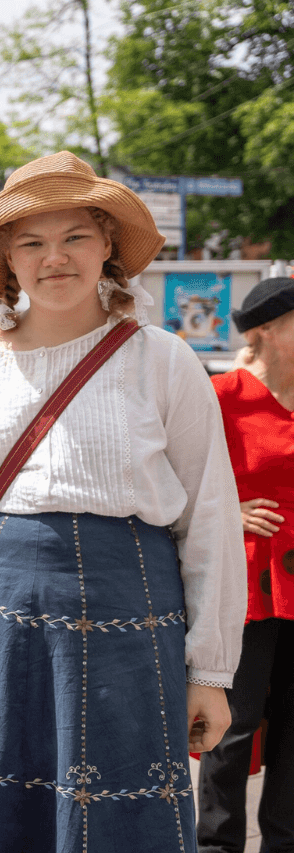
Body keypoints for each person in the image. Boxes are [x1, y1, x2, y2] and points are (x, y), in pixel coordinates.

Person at [0, 151, 247, 853]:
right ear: (8, 260)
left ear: (108, 244)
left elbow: (209, 518)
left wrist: (210, 670)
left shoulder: (164, 359)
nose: (56, 257)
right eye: (32, 242)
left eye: (75, 236)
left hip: (131, 624)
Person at [197, 276, 294, 853]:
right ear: (267, 331)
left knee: (293, 733)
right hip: (249, 588)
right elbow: (180, 482)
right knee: (232, 731)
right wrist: (228, 512)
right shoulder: (223, 395)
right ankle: (216, 846)